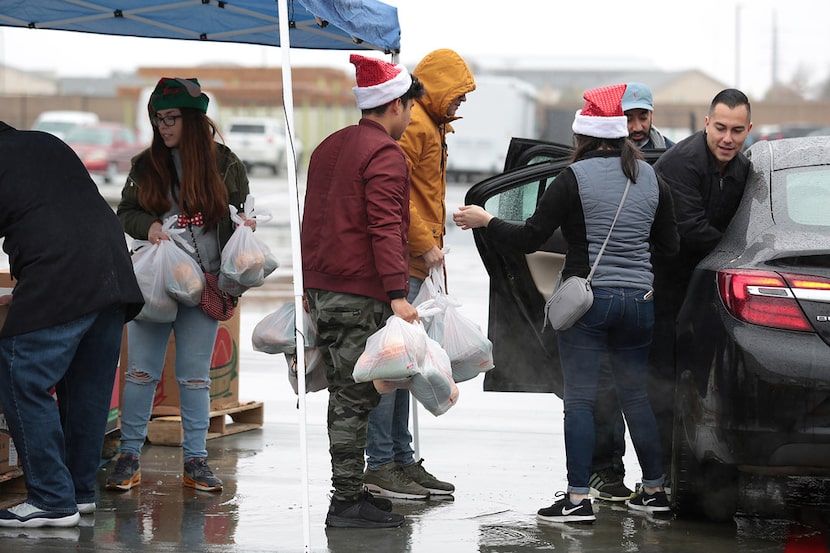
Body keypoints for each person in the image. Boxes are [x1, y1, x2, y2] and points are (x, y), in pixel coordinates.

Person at [453, 84, 679, 523]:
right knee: (636, 397)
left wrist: (486, 220)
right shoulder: (652, 177)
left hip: (589, 306)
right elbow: (669, 246)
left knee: (579, 400)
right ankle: (655, 491)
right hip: (640, 304)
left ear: (583, 137)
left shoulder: (572, 178)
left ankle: (577, 501)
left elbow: (530, 238)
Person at [108, 77, 252, 494]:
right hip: (155, 284)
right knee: (139, 372)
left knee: (194, 378)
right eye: (158, 119)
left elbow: (240, 213)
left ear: (193, 120)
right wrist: (149, 226)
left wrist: (245, 230)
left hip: (205, 286)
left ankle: (196, 461)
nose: (163, 126)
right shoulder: (145, 164)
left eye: (171, 118)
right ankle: (128, 457)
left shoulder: (225, 163)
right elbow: (126, 212)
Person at [301, 54, 425, 528]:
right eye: (409, 108)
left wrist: (309, 286)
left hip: (324, 288)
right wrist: (398, 293)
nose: (411, 116)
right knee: (354, 399)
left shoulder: (330, 146)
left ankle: (351, 493)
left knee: (346, 394)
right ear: (394, 105)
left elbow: (313, 220)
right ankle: (346, 501)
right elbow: (386, 228)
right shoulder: (385, 154)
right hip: (358, 294)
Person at [0, 122, 144, 528]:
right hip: (113, 273)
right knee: (86, 391)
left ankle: (50, 497)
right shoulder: (43, 143)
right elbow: (49, 212)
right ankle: (79, 494)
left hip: (63, 274)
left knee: (21, 373)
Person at [364, 48, 476, 500]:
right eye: (459, 95)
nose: (461, 104)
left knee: (409, 367)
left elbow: (419, 192)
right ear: (438, 86)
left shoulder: (432, 127)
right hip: (405, 264)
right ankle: (383, 463)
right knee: (393, 368)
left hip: (417, 262)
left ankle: (402, 460)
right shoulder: (414, 127)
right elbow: (396, 196)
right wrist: (424, 243)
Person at [648, 88, 752, 480]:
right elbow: (689, 228)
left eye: (737, 131)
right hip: (665, 286)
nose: (728, 138)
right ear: (707, 123)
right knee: (662, 380)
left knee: (699, 380)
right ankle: (657, 472)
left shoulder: (744, 170)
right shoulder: (682, 163)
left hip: (711, 288)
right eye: (721, 127)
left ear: (748, 130)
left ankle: (692, 463)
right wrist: (742, 256)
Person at [588, 81, 677, 502]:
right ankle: (609, 473)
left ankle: (651, 479)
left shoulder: (671, 158)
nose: (637, 126)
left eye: (643, 116)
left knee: (639, 390)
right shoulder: (598, 159)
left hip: (645, 293)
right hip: (636, 293)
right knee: (612, 390)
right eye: (629, 118)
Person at [622, 82, 675, 149]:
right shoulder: (607, 152)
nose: (638, 128)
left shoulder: (672, 152)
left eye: (643, 118)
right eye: (628, 120)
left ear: (651, 115)